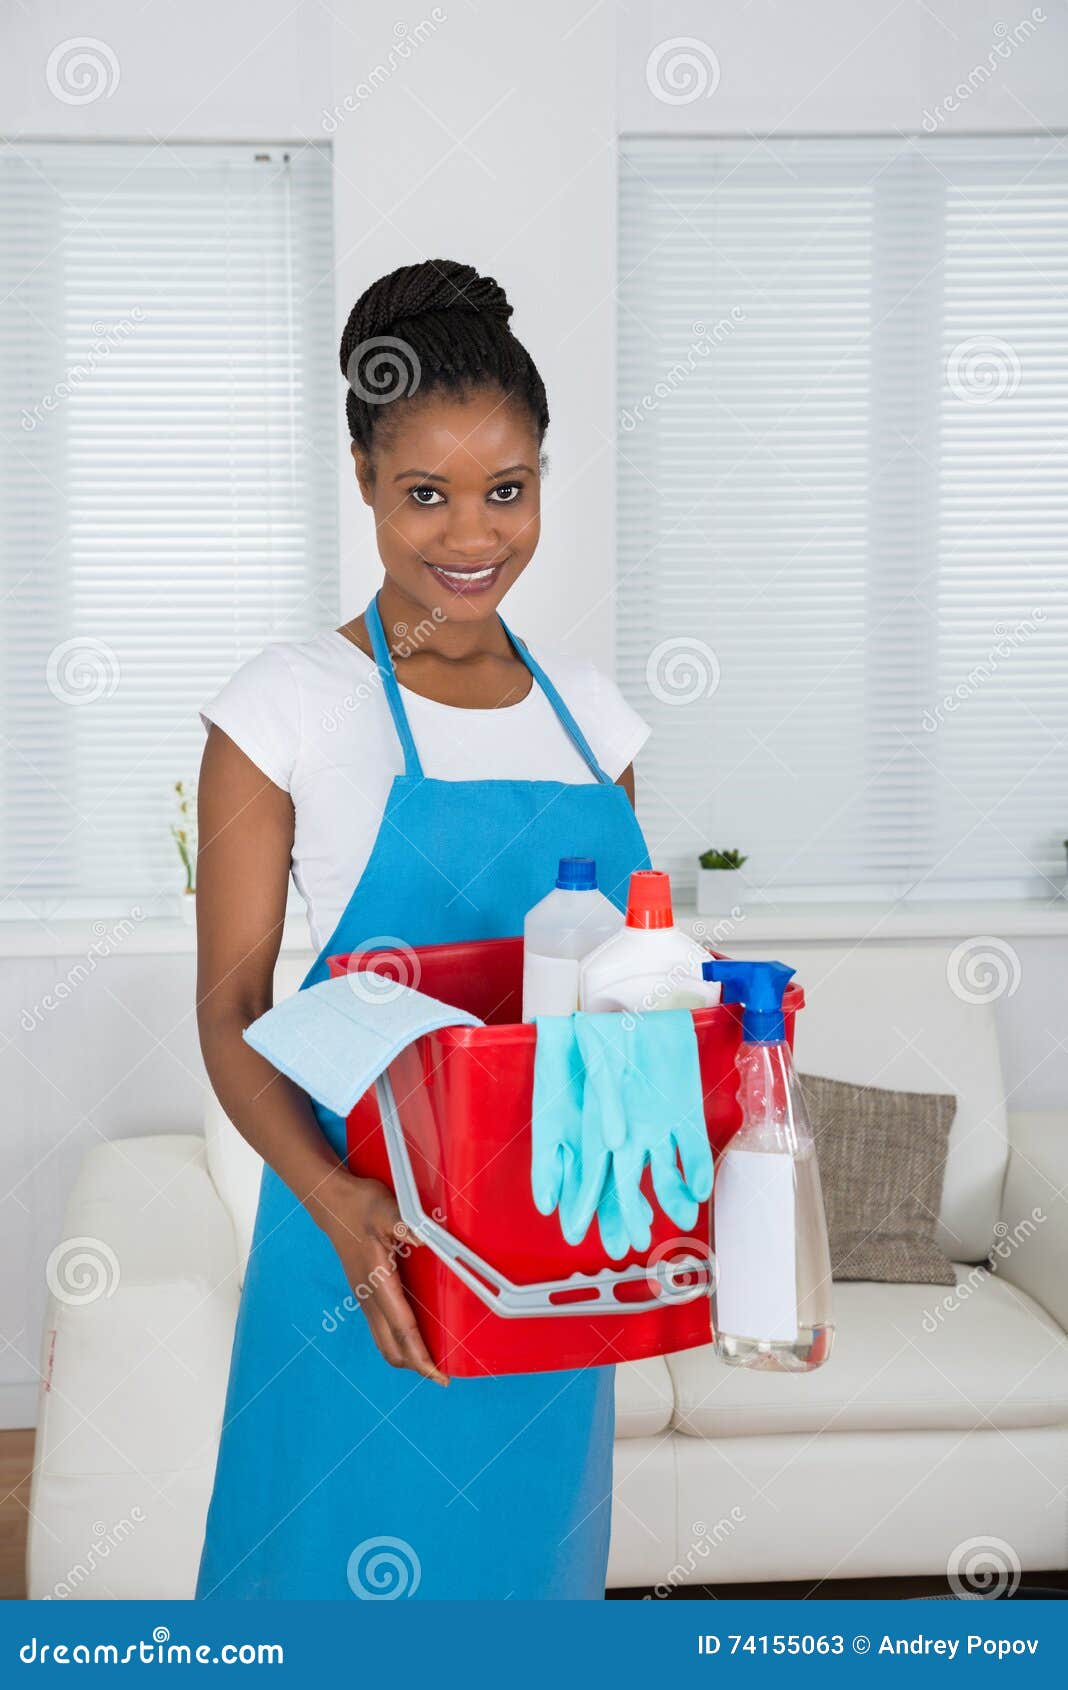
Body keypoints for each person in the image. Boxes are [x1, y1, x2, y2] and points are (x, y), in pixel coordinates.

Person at [194, 258, 652, 1599]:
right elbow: (228, 1007)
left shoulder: (594, 718)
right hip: (356, 1252)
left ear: (543, 481)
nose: (472, 534)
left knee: (528, 1592)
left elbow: (626, 987)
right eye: (426, 494)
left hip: (549, 1259)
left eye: (507, 490)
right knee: (321, 1590)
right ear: (364, 482)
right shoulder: (282, 704)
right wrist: (342, 1208)